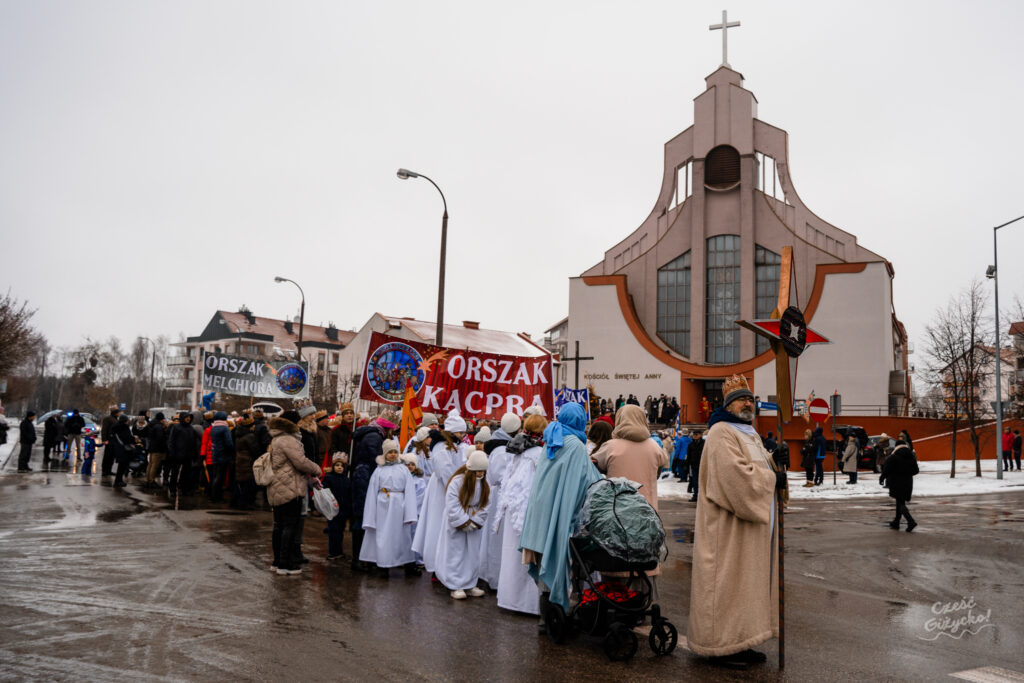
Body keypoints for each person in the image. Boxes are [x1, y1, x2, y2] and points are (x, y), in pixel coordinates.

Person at [688, 374, 785, 669]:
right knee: (727, 585)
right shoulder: (721, 432)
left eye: (750, 398)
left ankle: (742, 640)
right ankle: (722, 646)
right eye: (741, 399)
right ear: (728, 405)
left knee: (746, 585)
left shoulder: (749, 432)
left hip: (749, 529)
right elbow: (733, 476)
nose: (748, 403)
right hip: (727, 529)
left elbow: (752, 464)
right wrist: (772, 478)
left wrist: (773, 458)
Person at [519, 403, 601, 621]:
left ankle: (546, 619)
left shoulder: (553, 436)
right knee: (557, 558)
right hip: (559, 510)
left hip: (541, 510)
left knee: (546, 557)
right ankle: (553, 619)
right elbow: (584, 480)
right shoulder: (574, 444)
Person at [593, 404, 670, 597]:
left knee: (617, 559)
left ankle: (616, 598)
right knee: (644, 559)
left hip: (616, 515)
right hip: (647, 515)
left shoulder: (611, 446)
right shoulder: (653, 446)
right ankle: (642, 600)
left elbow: (594, 465)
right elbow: (661, 466)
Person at [493, 414, 547, 615]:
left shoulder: (516, 449)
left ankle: (509, 598)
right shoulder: (540, 453)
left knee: (512, 555)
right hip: (527, 511)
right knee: (527, 556)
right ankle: (527, 603)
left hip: (512, 509)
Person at [412, 410, 470, 576]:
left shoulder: (459, 446)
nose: (462, 436)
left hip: (456, 488)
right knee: (438, 525)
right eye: (459, 432)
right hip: (443, 490)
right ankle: (437, 565)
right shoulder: (440, 447)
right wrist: (457, 490)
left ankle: (451, 565)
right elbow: (445, 471)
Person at [266, 410, 322, 575]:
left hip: (278, 485)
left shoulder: (276, 438)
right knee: (290, 525)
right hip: (289, 487)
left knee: (279, 525)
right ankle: (286, 564)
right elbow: (301, 462)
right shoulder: (288, 440)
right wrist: (316, 469)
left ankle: (277, 562)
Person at [359, 439, 420, 578]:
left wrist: (410, 514)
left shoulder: (403, 469)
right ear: (385, 454)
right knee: (383, 536)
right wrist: (370, 515)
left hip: (399, 506)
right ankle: (383, 566)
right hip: (383, 506)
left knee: (402, 535)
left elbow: (410, 492)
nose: (393, 455)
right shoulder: (379, 470)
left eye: (395, 452)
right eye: (390, 452)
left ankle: (408, 564)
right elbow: (372, 492)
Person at [436, 449, 491, 599]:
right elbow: (452, 503)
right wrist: (463, 521)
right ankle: (455, 585)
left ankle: (470, 583)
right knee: (456, 553)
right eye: (478, 471)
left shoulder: (484, 484)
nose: (480, 474)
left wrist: (476, 520)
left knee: (473, 554)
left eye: (483, 471)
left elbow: (486, 503)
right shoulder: (457, 481)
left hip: (473, 522)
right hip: (458, 524)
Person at [480, 413, 522, 590]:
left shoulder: (503, 448)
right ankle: (494, 576)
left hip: (502, 495)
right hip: (500, 496)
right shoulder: (501, 450)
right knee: (497, 539)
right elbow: (498, 475)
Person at [880, 435, 919, 531]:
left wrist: (882, 478)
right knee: (900, 501)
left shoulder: (894, 456)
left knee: (900, 503)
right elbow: (916, 470)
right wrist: (907, 473)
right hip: (908, 482)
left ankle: (911, 521)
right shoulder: (911, 456)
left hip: (896, 482)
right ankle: (896, 522)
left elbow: (886, 469)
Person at [323, 453, 354, 560]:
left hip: (343, 510)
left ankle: (339, 551)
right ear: (333, 467)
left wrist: (349, 509)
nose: (339, 467)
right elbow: (325, 493)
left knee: (340, 531)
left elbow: (349, 494)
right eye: (337, 465)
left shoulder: (346, 479)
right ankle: (332, 552)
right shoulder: (328, 478)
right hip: (332, 510)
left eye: (341, 466)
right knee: (333, 531)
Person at [166, 412, 200, 496]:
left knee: (186, 473)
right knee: (174, 473)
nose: (188, 419)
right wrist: (172, 453)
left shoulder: (191, 428)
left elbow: (194, 442)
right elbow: (171, 441)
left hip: (188, 455)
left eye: (189, 417)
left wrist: (194, 454)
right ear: (182, 418)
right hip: (177, 455)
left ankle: (184, 489)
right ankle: (172, 489)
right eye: (186, 417)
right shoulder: (176, 427)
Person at [231, 413, 260, 509]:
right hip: (248, 462)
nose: (254, 426)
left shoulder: (238, 434)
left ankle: (234, 502)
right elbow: (255, 450)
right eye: (253, 424)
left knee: (240, 483)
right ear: (250, 426)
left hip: (240, 461)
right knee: (248, 484)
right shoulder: (250, 436)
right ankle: (244, 504)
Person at [208, 411, 235, 502]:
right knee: (220, 477)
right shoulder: (225, 428)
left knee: (216, 475)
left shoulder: (213, 428)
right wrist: (231, 451)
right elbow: (229, 443)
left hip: (215, 453)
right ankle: (216, 497)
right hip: (223, 455)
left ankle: (214, 495)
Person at [108, 414, 137, 488]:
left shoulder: (116, 427)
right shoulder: (124, 427)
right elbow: (127, 438)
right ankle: (118, 481)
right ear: (125, 421)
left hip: (118, 448)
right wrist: (134, 439)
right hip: (124, 449)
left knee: (121, 466)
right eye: (127, 421)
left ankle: (118, 481)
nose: (128, 422)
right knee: (122, 466)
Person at [144, 413, 169, 489]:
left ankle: (148, 480)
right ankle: (151, 481)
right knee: (154, 466)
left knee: (150, 464)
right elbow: (160, 439)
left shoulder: (152, 424)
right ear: (161, 419)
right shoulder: (159, 427)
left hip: (152, 447)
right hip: (157, 449)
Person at [99, 407, 121, 476]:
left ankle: (109, 470)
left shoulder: (116, 419)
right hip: (109, 441)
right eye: (118, 413)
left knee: (112, 457)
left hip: (114, 441)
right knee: (107, 456)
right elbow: (104, 430)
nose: (119, 414)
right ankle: (104, 471)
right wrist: (104, 440)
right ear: (115, 413)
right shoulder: (107, 419)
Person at [687, 430, 704, 501]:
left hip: (702, 465)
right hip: (694, 465)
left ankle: (702, 495)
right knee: (695, 481)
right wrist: (687, 464)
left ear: (700, 435)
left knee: (702, 481)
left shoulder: (704, 443)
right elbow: (689, 455)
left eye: (696, 434)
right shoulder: (691, 444)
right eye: (693, 434)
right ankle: (696, 495)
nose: (694, 436)